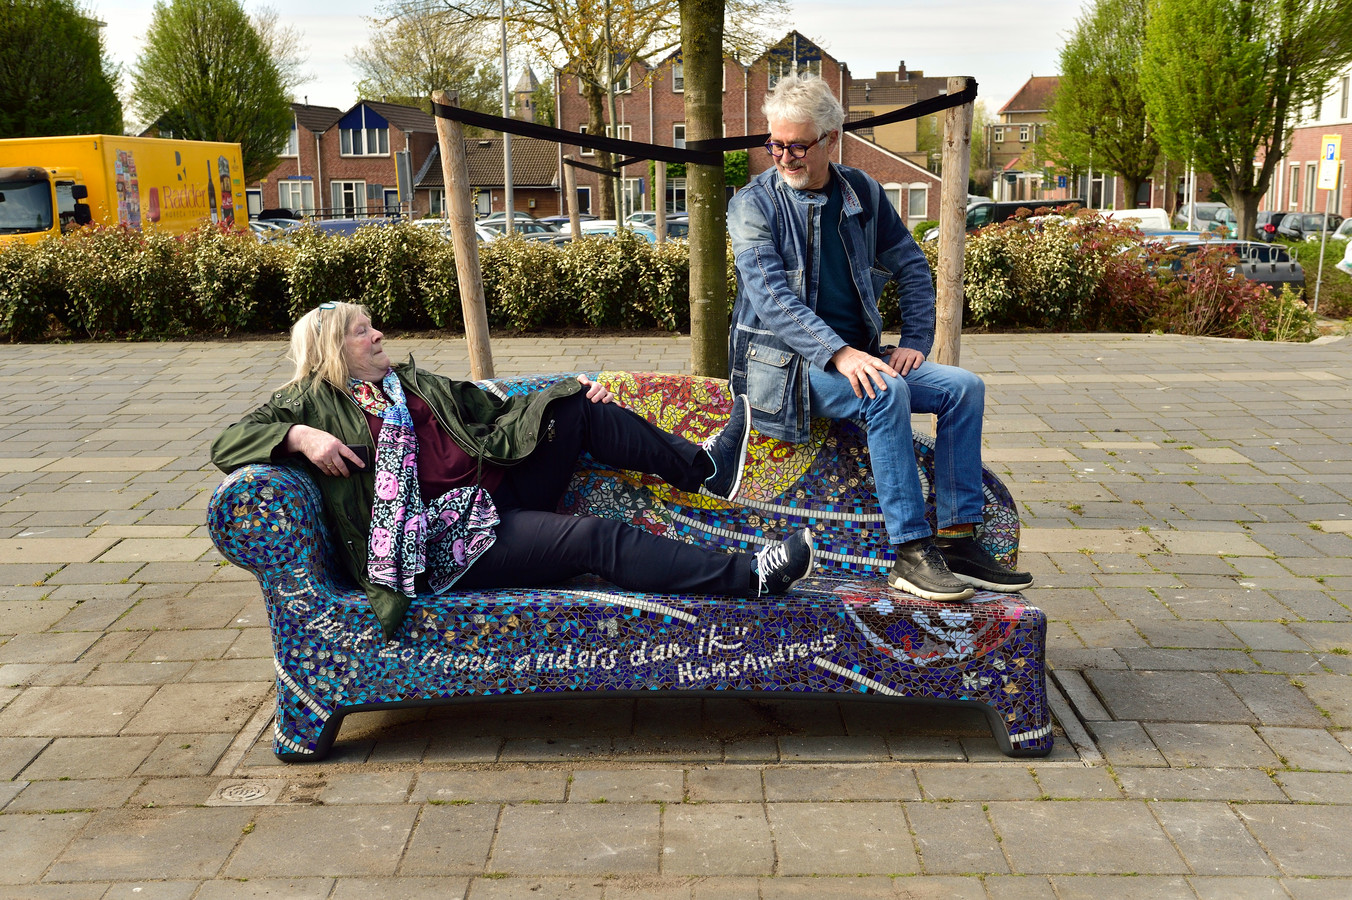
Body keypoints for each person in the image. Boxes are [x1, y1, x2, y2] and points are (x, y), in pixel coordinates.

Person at [211, 302, 814, 639]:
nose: (378, 334)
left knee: (575, 407)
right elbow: (226, 442)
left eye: (372, 325)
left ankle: (706, 468)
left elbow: (497, 410)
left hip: (499, 487)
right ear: (331, 348)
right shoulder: (307, 402)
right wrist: (299, 436)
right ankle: (751, 577)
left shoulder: (409, 382)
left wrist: (570, 395)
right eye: (362, 330)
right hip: (450, 541)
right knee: (593, 538)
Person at [726, 74, 1031, 602]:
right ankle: (910, 554)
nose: (784, 158)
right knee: (885, 393)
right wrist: (840, 354)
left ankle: (958, 540)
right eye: (775, 145)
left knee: (964, 388)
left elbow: (911, 264)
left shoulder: (862, 192)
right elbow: (771, 296)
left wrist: (915, 338)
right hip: (786, 370)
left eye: (797, 146)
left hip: (857, 356)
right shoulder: (753, 205)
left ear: (830, 139)